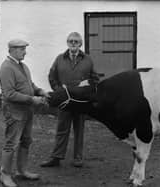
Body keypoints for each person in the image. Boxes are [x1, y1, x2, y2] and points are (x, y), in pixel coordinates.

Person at [0, 39, 49, 187]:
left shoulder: (23, 66)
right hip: (14, 112)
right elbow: (9, 94)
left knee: (26, 140)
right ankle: (5, 175)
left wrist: (40, 91)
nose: (25, 52)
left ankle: (21, 170)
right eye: (22, 49)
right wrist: (32, 99)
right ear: (12, 50)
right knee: (11, 143)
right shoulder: (6, 68)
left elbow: (29, 84)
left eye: (24, 49)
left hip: (27, 110)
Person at [40, 32, 95, 168]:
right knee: (62, 129)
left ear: (80, 44)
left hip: (80, 102)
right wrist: (59, 91)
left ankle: (78, 158)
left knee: (79, 130)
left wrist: (86, 86)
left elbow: (94, 79)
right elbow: (52, 76)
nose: (73, 44)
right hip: (65, 101)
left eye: (76, 41)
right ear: (67, 43)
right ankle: (56, 157)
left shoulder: (88, 60)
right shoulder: (60, 59)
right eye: (70, 41)